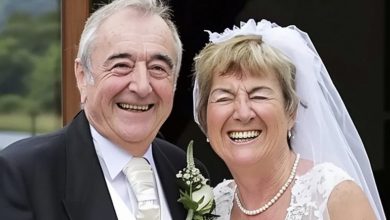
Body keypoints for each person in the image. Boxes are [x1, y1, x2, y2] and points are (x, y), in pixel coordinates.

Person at [0, 0, 209, 219]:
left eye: (158, 68)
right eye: (121, 65)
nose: (141, 86)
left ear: (174, 82)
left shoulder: (187, 173)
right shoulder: (21, 175)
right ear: (82, 76)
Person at [192, 19, 386, 219]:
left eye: (258, 96)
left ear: (291, 112)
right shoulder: (212, 206)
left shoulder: (335, 196)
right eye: (224, 97)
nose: (242, 113)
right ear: (205, 117)